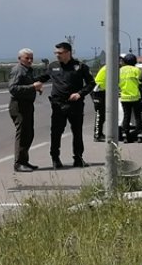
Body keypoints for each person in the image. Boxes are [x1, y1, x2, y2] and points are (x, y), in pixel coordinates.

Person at [46, 41, 93, 169]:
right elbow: (43, 77)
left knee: (77, 132)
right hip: (58, 104)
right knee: (55, 133)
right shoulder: (53, 66)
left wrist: (80, 93)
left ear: (68, 53)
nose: (57, 55)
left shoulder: (80, 66)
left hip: (75, 104)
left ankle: (78, 158)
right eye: (56, 53)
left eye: (60, 53)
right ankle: (55, 158)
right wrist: (33, 84)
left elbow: (90, 84)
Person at [8, 48, 44, 171]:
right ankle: (18, 163)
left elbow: (29, 83)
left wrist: (36, 88)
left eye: (31, 58)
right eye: (27, 58)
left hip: (27, 104)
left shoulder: (28, 70)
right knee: (23, 133)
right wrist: (32, 87)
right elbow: (13, 88)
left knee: (29, 133)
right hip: (19, 105)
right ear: (20, 59)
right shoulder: (18, 70)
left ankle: (24, 161)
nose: (29, 60)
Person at [118, 53, 142, 143]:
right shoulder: (136, 70)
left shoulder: (120, 71)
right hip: (136, 97)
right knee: (138, 117)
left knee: (126, 116)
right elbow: (141, 82)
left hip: (124, 97)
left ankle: (125, 135)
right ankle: (140, 135)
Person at [91, 55, 108, 142]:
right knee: (99, 114)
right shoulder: (109, 68)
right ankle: (97, 135)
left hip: (102, 91)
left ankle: (99, 133)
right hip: (98, 92)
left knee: (103, 115)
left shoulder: (109, 67)